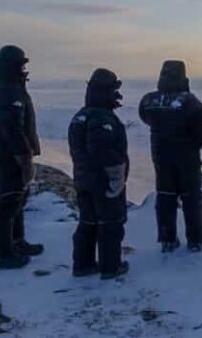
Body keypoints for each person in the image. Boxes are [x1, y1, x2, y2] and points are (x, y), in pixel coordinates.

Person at [139, 60, 202, 253]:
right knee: (191, 197)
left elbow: (144, 117)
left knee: (165, 196)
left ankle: (167, 240)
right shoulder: (188, 101)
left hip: (160, 156)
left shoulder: (149, 100)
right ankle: (195, 241)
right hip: (187, 157)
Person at [0, 45, 43, 270]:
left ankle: (16, 242)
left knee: (17, 198)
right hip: (11, 156)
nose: (25, 69)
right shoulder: (8, 91)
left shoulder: (1, 88)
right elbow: (12, 128)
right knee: (8, 202)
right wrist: (23, 156)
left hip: (5, 154)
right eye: (21, 64)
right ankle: (0, 254)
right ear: (12, 66)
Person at [68, 68, 130, 280]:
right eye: (114, 90)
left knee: (88, 221)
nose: (117, 94)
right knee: (111, 222)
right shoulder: (102, 119)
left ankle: (82, 264)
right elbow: (102, 151)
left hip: (82, 179)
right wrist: (116, 177)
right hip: (103, 181)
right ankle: (110, 266)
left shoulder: (80, 116)